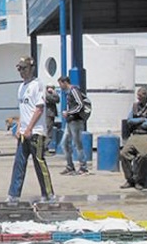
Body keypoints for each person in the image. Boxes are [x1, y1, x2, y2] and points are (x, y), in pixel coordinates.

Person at [7, 57, 54, 203]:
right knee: (19, 163)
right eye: (19, 69)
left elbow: (39, 109)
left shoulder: (37, 85)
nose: (21, 72)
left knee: (39, 162)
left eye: (24, 68)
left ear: (31, 68)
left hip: (36, 132)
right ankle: (13, 194)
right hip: (23, 132)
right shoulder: (21, 87)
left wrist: (29, 128)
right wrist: (19, 127)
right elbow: (23, 110)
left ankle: (48, 193)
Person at [119, 86, 147, 190]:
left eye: (140, 95)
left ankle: (139, 180)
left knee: (143, 155)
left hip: (145, 135)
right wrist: (141, 119)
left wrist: (136, 122)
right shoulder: (135, 106)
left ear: (146, 95)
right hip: (135, 135)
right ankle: (129, 179)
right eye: (138, 95)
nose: (138, 97)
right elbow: (129, 120)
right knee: (124, 154)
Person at [58, 75, 89, 175]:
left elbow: (80, 105)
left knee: (77, 144)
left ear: (64, 82)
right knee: (64, 143)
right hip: (70, 121)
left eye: (60, 84)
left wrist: (69, 112)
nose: (60, 87)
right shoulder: (68, 93)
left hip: (76, 121)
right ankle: (70, 166)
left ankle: (83, 167)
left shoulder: (74, 91)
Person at [44, 85, 60, 155]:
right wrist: (54, 93)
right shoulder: (47, 95)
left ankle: (44, 148)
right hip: (49, 115)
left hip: (50, 115)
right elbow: (57, 100)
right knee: (48, 132)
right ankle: (45, 149)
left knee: (48, 132)